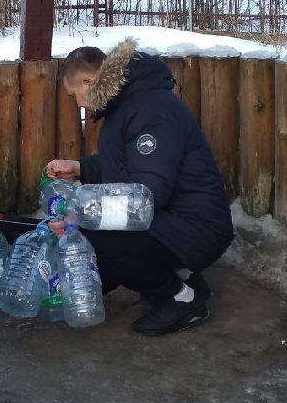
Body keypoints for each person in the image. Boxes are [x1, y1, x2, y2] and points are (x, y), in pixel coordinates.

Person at [46, 38, 233, 336]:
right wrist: (80, 167)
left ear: (88, 80)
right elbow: (129, 165)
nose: (79, 104)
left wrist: (80, 217)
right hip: (180, 220)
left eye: (74, 95)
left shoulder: (150, 109)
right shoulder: (130, 104)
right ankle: (183, 277)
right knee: (93, 238)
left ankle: (184, 299)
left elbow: (147, 195)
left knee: (97, 240)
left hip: (198, 227)